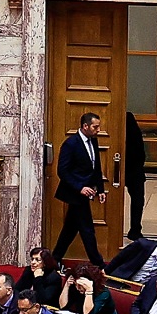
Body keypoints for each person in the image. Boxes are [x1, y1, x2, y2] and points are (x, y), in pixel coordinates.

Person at [53, 112, 106, 265]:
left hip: (85, 192)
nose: (98, 130)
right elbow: (62, 171)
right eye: (95, 127)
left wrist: (100, 189)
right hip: (75, 193)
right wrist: (80, 187)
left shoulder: (93, 141)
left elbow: (96, 168)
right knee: (87, 229)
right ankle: (98, 263)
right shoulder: (71, 143)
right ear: (85, 126)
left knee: (70, 229)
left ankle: (55, 258)